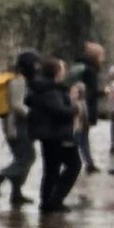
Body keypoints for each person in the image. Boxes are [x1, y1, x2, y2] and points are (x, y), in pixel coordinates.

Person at [29, 56, 82, 214]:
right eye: (62, 69)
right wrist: (74, 108)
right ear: (56, 72)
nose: (64, 72)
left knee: (51, 169)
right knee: (74, 165)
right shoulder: (51, 90)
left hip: (49, 134)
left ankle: (47, 201)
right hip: (58, 135)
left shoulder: (43, 88)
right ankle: (55, 199)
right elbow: (59, 111)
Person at [0, 50, 40, 208]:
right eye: (35, 64)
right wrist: (33, 114)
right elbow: (17, 105)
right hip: (16, 125)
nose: (37, 68)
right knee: (28, 157)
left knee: (21, 158)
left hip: (16, 123)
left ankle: (16, 193)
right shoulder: (18, 80)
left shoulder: (18, 78)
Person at [77, 42, 104, 174]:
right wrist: (104, 92)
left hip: (80, 104)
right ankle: (87, 162)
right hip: (85, 107)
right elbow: (91, 92)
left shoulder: (82, 67)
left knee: (82, 135)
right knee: (81, 135)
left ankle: (88, 161)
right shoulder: (90, 71)